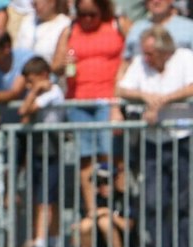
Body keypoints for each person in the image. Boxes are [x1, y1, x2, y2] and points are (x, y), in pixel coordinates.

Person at [117, 27, 193, 247]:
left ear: (165, 50)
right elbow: (122, 89)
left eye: (151, 53)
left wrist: (163, 100)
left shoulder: (185, 57)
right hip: (153, 143)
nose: (146, 58)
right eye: (144, 52)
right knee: (154, 201)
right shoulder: (139, 63)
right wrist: (145, 95)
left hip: (182, 139)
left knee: (182, 203)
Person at [53, 0, 127, 230]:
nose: (86, 19)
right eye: (82, 14)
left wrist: (118, 99)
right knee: (86, 158)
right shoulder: (70, 29)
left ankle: (115, 208)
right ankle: (92, 209)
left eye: (92, 14)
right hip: (79, 100)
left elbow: (131, 56)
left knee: (111, 155)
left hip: (108, 100)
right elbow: (54, 67)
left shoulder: (118, 24)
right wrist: (63, 62)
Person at [17, 55, 67, 247]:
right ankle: (54, 242)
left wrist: (35, 91)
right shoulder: (41, 92)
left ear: (44, 75)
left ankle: (39, 244)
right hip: (39, 147)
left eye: (31, 80)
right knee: (47, 198)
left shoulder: (53, 92)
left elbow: (24, 110)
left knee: (45, 198)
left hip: (50, 147)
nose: (28, 86)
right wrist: (34, 90)